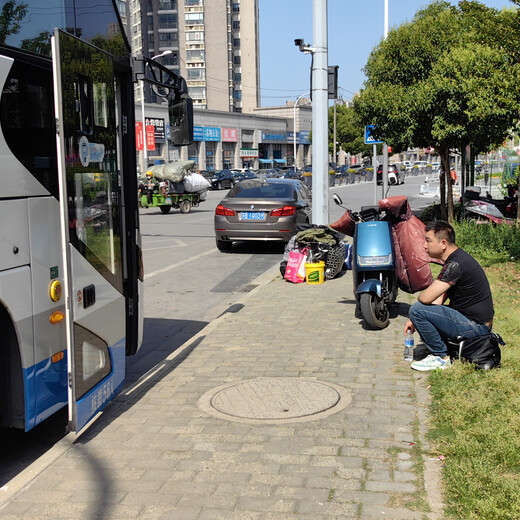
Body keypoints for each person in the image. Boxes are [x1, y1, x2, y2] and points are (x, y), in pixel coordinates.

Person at [403, 220, 494, 371]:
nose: (424, 246)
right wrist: (414, 320)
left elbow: (425, 298)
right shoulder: (457, 259)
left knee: (417, 308)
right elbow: (440, 297)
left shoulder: (455, 265)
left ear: (443, 243)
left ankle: (440, 358)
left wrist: (416, 313)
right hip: (476, 323)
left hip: (477, 327)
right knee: (419, 312)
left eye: (428, 240)